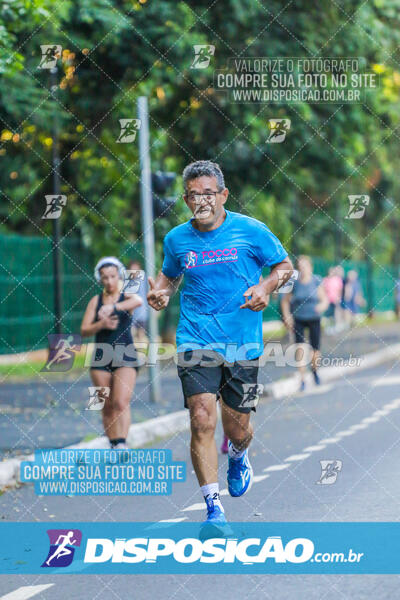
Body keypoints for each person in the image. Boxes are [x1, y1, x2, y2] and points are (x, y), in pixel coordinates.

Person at [146, 160, 293, 536]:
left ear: (223, 195)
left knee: (237, 428)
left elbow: (284, 267)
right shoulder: (177, 239)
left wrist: (265, 288)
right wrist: (162, 292)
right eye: (194, 195)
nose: (202, 201)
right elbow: (170, 274)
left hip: (242, 343)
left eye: (208, 194)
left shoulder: (250, 230)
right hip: (195, 338)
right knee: (200, 417)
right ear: (185, 199)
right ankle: (213, 510)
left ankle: (239, 456)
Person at [80, 257, 142, 449]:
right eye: (105, 277)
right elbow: (84, 330)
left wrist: (113, 307)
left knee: (121, 402)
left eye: (113, 276)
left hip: (126, 355)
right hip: (101, 357)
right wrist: (102, 324)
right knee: (105, 405)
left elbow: (139, 301)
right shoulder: (95, 301)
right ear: (100, 279)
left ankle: (122, 443)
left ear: (119, 276)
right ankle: (113, 444)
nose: (109, 281)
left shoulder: (127, 296)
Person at [281, 255, 328, 392]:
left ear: (310, 267)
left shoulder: (316, 281)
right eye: (300, 267)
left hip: (314, 318)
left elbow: (324, 299)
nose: (303, 269)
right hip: (299, 318)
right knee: (300, 349)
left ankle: (314, 371)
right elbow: (285, 301)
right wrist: (287, 316)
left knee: (315, 351)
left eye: (305, 266)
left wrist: (321, 307)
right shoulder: (295, 283)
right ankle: (302, 379)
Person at [128, 259, 149, 344]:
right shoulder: (128, 281)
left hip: (142, 313)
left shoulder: (145, 280)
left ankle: (141, 356)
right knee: (131, 334)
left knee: (141, 335)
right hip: (131, 314)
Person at [323, 266, 343, 334]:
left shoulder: (337, 279)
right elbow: (323, 290)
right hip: (327, 299)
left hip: (335, 299)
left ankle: (336, 326)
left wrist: (338, 297)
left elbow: (340, 289)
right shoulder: (325, 279)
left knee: (336, 313)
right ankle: (328, 327)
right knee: (328, 314)